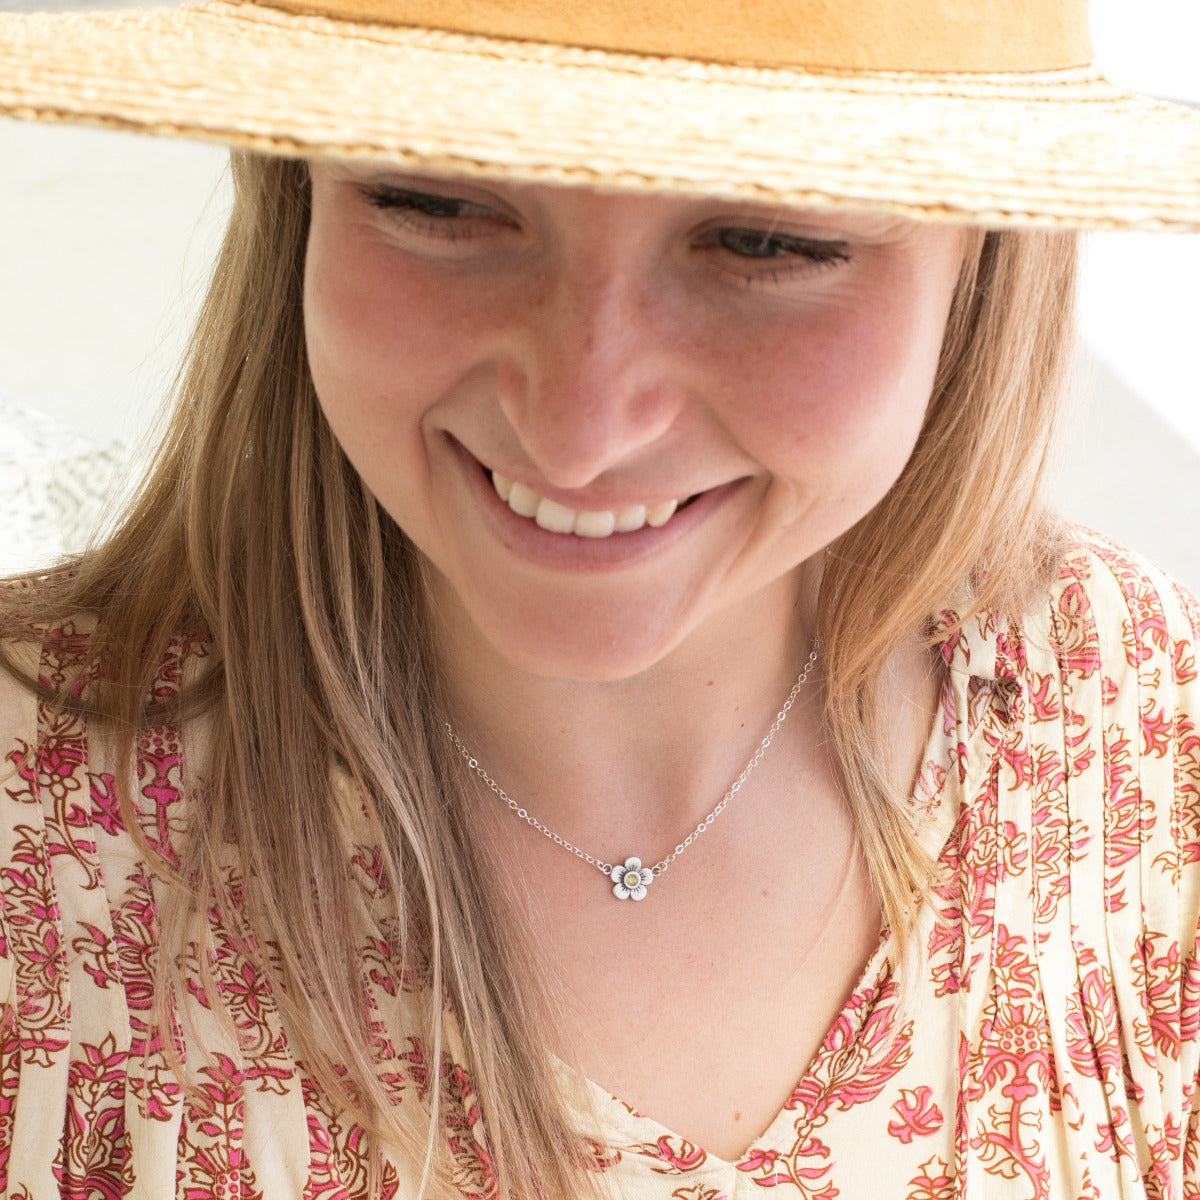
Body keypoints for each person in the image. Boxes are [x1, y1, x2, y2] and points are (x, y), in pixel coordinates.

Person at [0, 0, 1198, 1196]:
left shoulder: (1137, 722)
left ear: (985, 256)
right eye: (438, 200)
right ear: (295, 192)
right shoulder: (30, 832)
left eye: (763, 239)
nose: (578, 430)